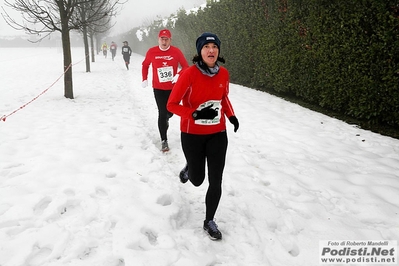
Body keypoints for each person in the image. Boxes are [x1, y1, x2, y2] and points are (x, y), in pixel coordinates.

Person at [167, 32, 239, 240]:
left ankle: (209, 220)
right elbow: (171, 105)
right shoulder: (188, 74)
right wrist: (195, 114)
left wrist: (231, 116)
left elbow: (223, 97)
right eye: (206, 47)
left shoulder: (224, 73)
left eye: (214, 47)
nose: (211, 50)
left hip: (218, 133)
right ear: (200, 51)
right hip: (192, 134)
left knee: (216, 180)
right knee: (198, 180)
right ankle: (190, 168)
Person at [141, 29, 189, 152]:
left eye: (166, 39)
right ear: (158, 39)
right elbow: (145, 65)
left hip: (173, 89)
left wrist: (179, 74)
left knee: (170, 111)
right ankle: (164, 140)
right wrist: (144, 78)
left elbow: (185, 66)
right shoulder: (152, 52)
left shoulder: (176, 51)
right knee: (162, 112)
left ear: (170, 40)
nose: (164, 41)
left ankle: (167, 117)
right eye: (162, 39)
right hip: (158, 88)